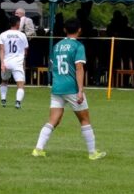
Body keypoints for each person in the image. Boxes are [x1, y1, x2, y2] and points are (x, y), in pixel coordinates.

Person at [32, 22, 104, 160]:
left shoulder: (57, 45)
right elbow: (79, 68)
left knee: (53, 120)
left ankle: (38, 149)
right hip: (71, 87)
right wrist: (80, 90)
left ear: (65, 29)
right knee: (84, 119)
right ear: (79, 30)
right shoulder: (78, 46)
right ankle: (92, 152)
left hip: (57, 87)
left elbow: (52, 66)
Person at [0, 19, 30, 108]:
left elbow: (1, 49)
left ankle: (3, 100)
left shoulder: (3, 34)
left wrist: (2, 63)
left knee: (4, 81)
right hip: (17, 62)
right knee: (20, 84)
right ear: (18, 23)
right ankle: (18, 102)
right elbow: (25, 50)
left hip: (6, 62)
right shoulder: (22, 35)